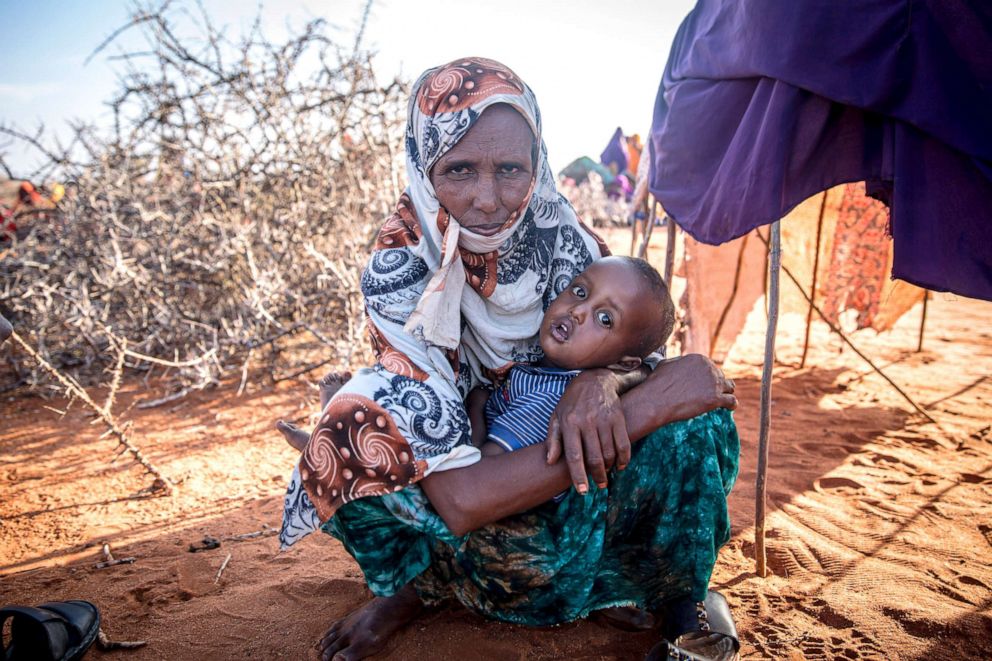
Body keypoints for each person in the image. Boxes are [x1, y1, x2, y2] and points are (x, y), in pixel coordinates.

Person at [278, 57, 740, 661]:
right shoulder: (400, 266)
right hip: (479, 493)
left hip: (569, 484)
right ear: (424, 165)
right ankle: (419, 587)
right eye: (460, 170)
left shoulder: (564, 241)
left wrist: (602, 380)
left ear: (537, 165)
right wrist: (641, 405)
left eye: (511, 170)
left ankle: (677, 596)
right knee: (351, 433)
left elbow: (639, 341)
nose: (489, 200)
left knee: (697, 422)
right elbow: (461, 499)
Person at [468, 255, 675, 464]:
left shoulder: (551, 398)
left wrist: (475, 406)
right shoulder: (543, 375)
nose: (577, 311)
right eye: (580, 292)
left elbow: (483, 466)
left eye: (605, 319)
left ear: (623, 364)